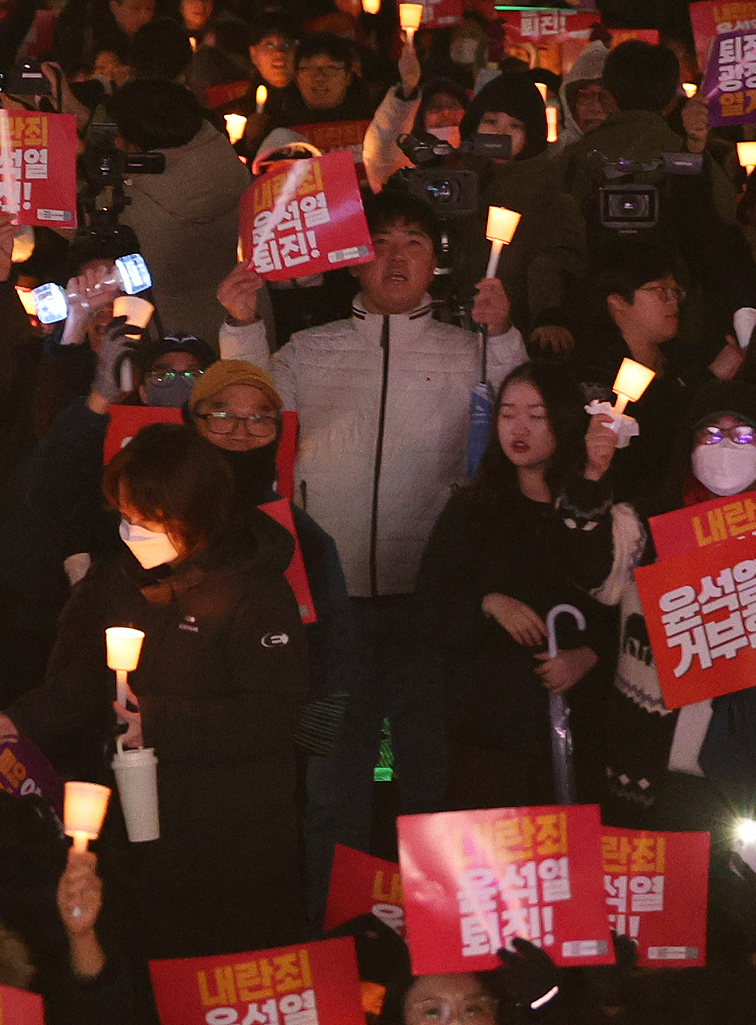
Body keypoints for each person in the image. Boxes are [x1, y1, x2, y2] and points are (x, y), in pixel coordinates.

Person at [217, 188, 525, 836]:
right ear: (354, 261)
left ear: (432, 263)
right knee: (331, 784)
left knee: (429, 783)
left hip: (429, 609)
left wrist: (500, 338)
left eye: (412, 242)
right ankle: (335, 927)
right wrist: (243, 326)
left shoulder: (464, 349)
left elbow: (518, 423)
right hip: (330, 614)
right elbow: (249, 413)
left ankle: (430, 930)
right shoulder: (306, 350)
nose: (395, 257)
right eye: (379, 242)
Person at [0, 425, 312, 956]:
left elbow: (273, 714)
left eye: (149, 521)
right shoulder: (123, 581)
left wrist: (156, 720)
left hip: (232, 840)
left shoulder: (256, 591)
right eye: (126, 518)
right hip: (142, 832)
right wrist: (24, 719)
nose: (133, 533)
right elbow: (90, 674)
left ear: (195, 517)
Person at [416, 359, 630, 808]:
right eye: (508, 413)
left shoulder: (596, 508)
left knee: (574, 859)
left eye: (537, 416)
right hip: (490, 728)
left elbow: (629, 606)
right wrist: (489, 603)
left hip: (582, 725)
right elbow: (432, 608)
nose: (519, 428)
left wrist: (589, 654)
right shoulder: (472, 510)